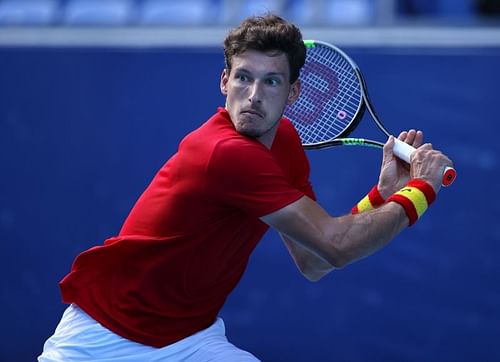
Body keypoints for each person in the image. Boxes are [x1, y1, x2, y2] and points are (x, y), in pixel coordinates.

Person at [38, 14, 453, 362]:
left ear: (293, 93)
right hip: (99, 341)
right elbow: (337, 246)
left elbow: (314, 261)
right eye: (243, 78)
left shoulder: (284, 142)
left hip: (187, 340)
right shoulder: (224, 153)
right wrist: (421, 189)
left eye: (271, 82)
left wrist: (382, 195)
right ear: (224, 81)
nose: (253, 96)